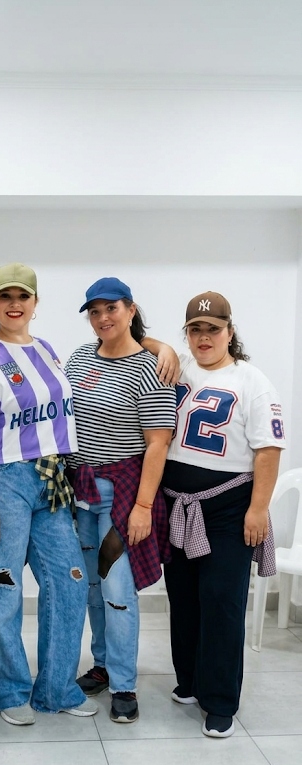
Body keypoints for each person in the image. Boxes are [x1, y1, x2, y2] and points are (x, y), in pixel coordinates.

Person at [0, 263, 97, 725]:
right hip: (4, 481)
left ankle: (57, 688)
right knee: (6, 587)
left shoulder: (48, 350)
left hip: (51, 479)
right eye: (4, 297)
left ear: (35, 303)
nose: (14, 304)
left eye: (22, 296)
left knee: (70, 580)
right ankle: (9, 689)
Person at [162, 291, 284, 737]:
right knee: (184, 598)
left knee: (222, 602)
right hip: (177, 506)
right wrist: (161, 347)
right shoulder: (178, 366)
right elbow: (144, 343)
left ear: (229, 332)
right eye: (195, 330)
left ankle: (219, 701)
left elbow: (268, 451)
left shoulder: (253, 382)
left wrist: (258, 509)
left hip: (228, 509)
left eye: (212, 329)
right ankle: (190, 681)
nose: (204, 337)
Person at [65, 277, 177, 724]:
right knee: (91, 587)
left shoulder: (150, 368)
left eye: (111, 308)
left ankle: (125, 684)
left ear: (130, 310)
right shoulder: (79, 358)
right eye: (94, 311)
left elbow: (158, 442)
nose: (102, 318)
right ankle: (103, 666)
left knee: (117, 590)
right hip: (81, 490)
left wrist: (143, 507)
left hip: (122, 494)